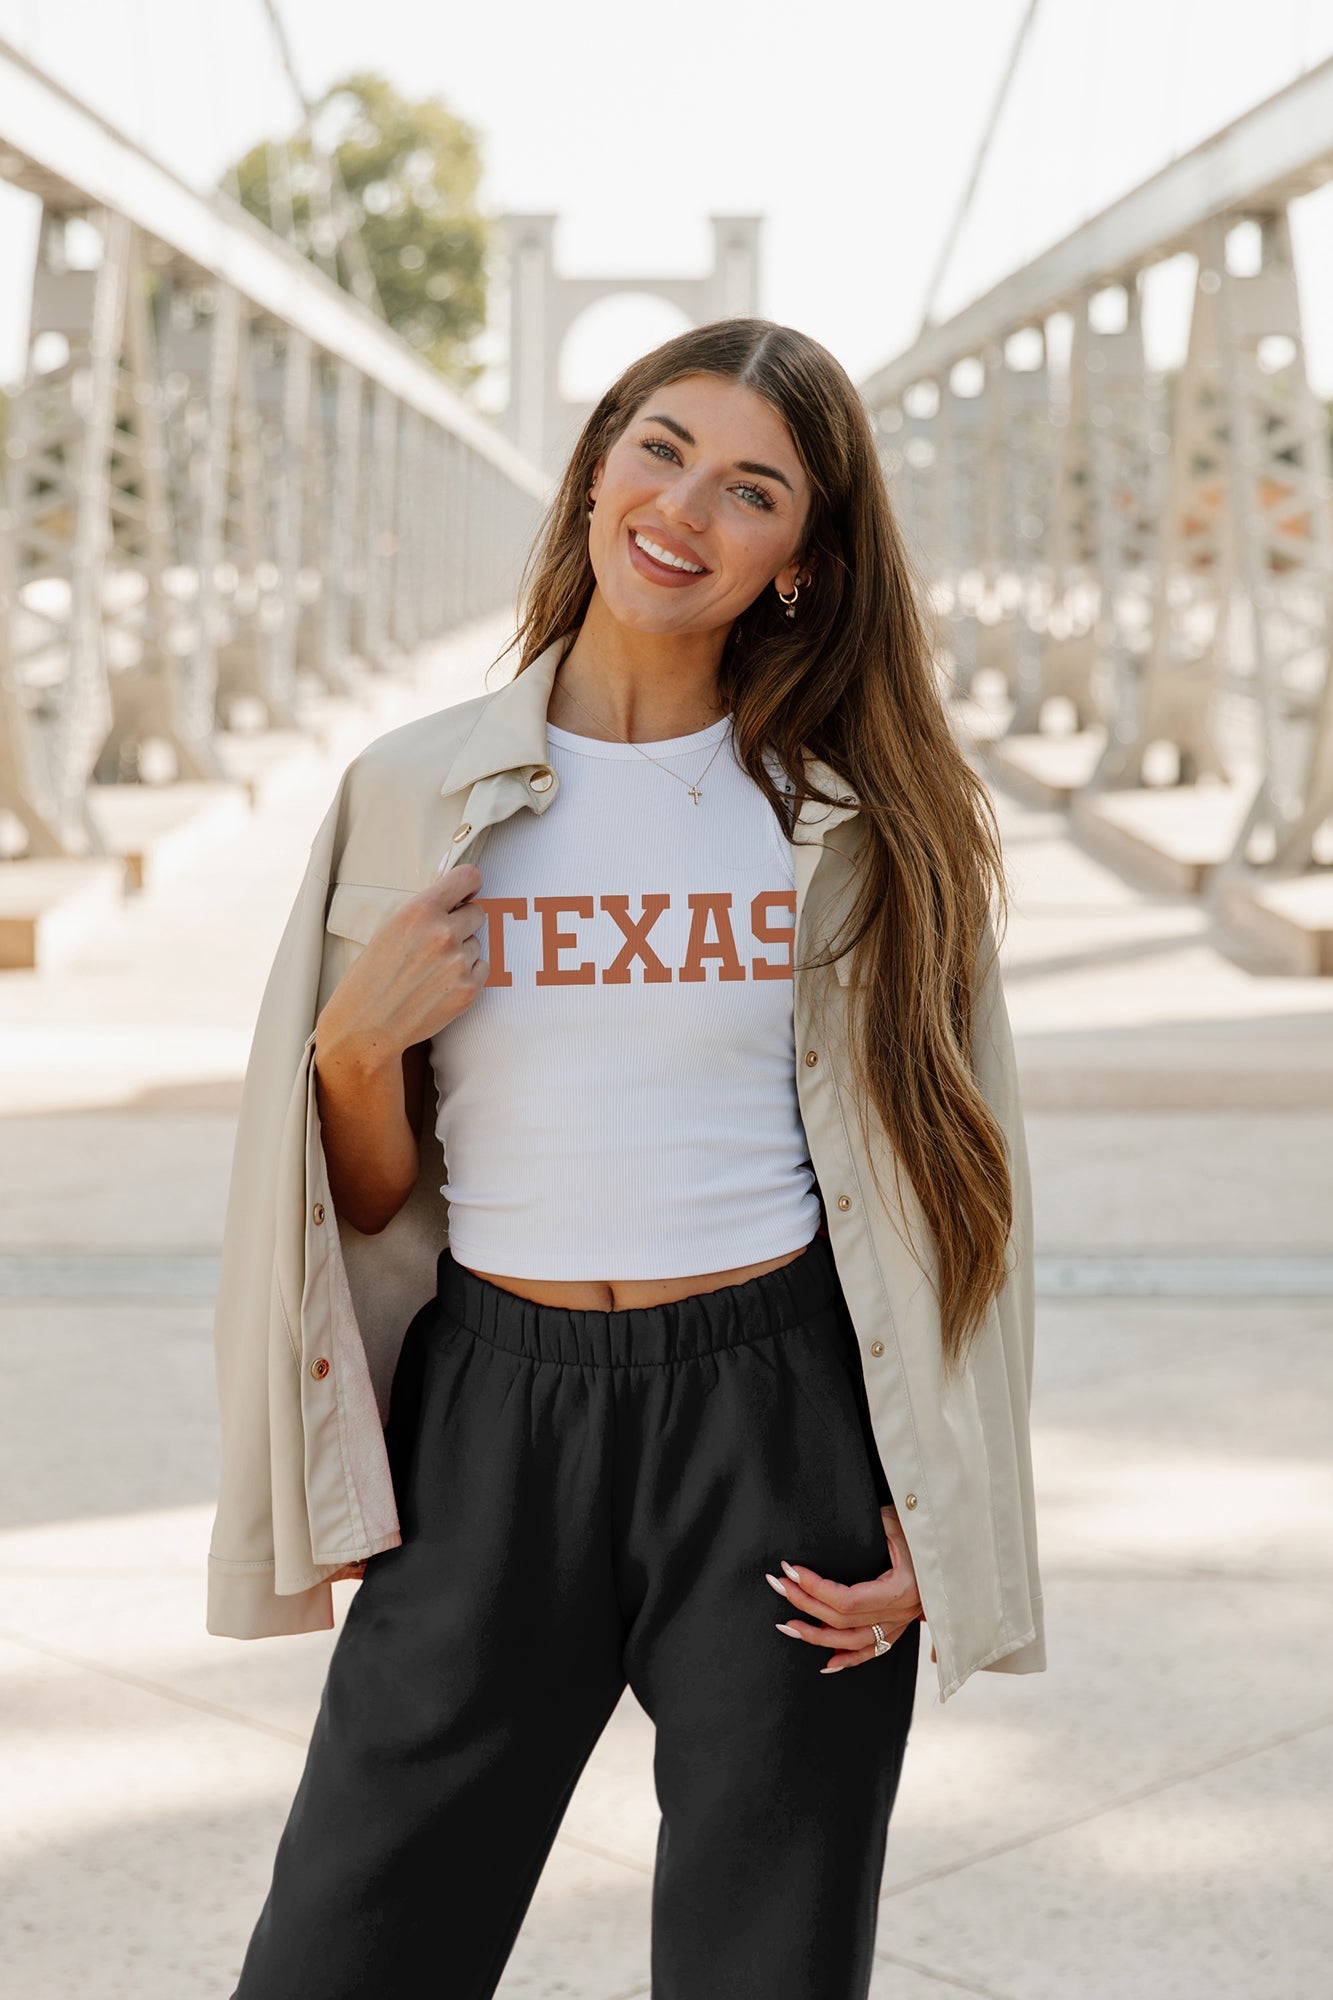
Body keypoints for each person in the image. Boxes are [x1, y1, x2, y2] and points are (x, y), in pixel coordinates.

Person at [211, 317, 1044, 2000]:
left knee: (766, 1968)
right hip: (488, 1420)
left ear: (801, 561)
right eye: (658, 448)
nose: (683, 508)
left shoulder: (861, 817)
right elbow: (360, 1200)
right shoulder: (409, 791)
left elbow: (963, 1187)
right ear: (597, 462)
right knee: (341, 1955)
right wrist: (355, 1045)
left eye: (752, 489)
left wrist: (939, 1508)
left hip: (774, 1425)